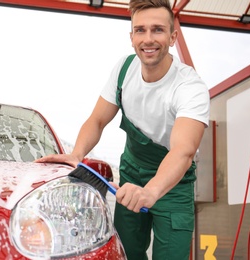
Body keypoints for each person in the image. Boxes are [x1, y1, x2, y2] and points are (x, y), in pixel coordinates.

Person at [35, 0, 210, 259]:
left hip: (174, 184)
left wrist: (151, 191)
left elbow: (183, 152)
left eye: (158, 30)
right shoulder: (124, 69)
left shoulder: (189, 87)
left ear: (173, 37)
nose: (148, 39)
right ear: (131, 37)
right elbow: (97, 120)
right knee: (126, 252)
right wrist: (77, 154)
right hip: (131, 176)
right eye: (140, 30)